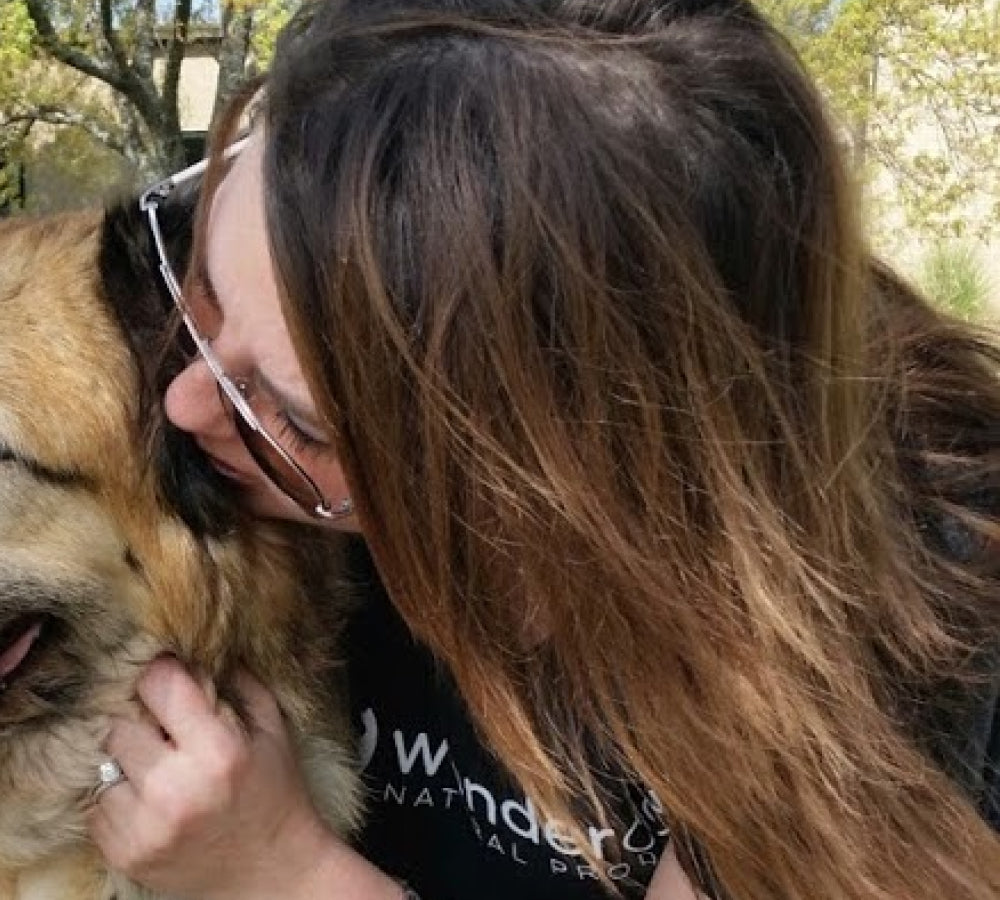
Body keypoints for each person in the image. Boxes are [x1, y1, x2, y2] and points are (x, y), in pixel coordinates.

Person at [86, 0, 1000, 898]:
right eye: (194, 285)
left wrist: (279, 874)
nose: (183, 400)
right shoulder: (216, 432)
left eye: (298, 422)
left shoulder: (912, 597)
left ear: (555, 486)